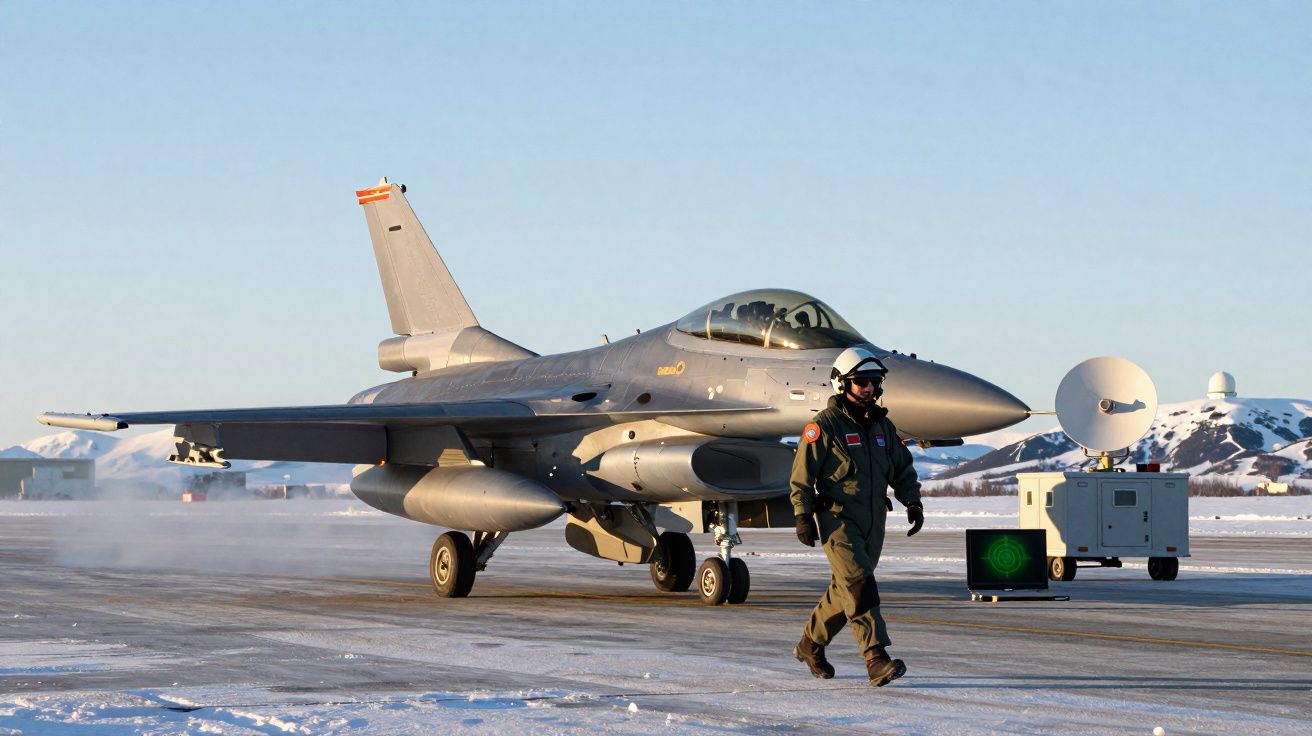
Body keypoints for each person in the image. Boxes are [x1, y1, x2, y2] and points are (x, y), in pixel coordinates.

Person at [788, 347, 925, 687]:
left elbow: (902, 470)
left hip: (874, 520)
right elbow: (802, 477)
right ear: (842, 384)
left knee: (845, 590)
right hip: (838, 520)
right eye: (861, 381)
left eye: (873, 382)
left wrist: (913, 502)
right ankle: (875, 657)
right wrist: (802, 515)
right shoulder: (823, 426)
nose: (868, 388)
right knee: (861, 585)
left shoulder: (883, 427)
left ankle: (809, 645)